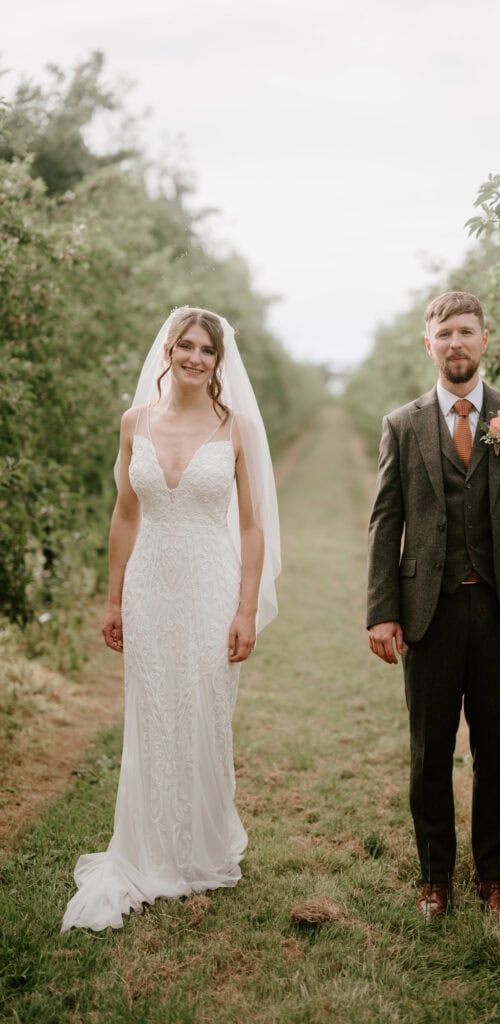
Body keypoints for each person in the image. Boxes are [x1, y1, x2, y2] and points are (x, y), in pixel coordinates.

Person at [61, 307, 280, 932]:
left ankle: (201, 847)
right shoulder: (135, 422)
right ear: (167, 351)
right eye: (183, 346)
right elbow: (125, 514)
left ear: (218, 361)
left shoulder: (236, 427)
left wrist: (245, 609)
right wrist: (111, 599)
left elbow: (251, 525)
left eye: (204, 350)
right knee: (154, 712)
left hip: (213, 586)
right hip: (150, 587)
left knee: (206, 709)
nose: (192, 357)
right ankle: (148, 849)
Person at [367, 291, 500, 920]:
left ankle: (495, 876)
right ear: (429, 344)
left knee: (497, 748)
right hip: (430, 610)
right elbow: (385, 520)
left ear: (484, 339)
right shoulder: (402, 423)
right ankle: (434, 877)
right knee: (430, 750)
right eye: (444, 333)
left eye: (466, 332)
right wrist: (382, 610)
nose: (456, 343)